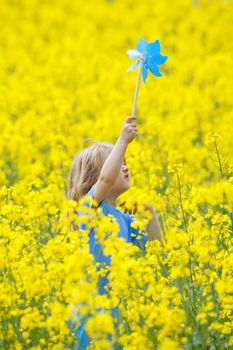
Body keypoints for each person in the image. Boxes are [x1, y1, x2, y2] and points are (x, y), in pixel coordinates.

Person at [67, 115, 163, 349]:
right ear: (93, 177)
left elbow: (156, 245)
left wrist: (149, 210)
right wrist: (122, 141)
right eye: (118, 161)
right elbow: (106, 178)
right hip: (91, 313)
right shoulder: (89, 211)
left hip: (118, 312)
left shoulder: (125, 219)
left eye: (125, 160)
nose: (125, 165)